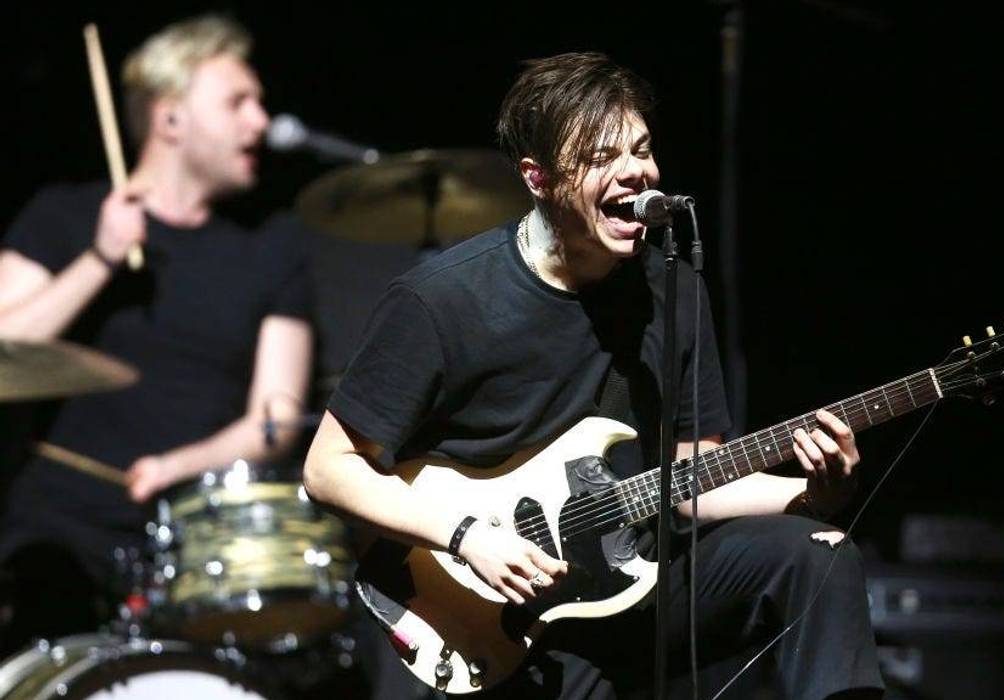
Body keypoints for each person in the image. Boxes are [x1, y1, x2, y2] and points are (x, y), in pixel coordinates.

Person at [303, 52, 883, 699]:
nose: (635, 170)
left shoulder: (670, 288)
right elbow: (328, 469)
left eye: (641, 149)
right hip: (500, 606)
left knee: (818, 553)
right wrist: (467, 538)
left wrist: (811, 495)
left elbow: (689, 478)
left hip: (633, 577)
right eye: (602, 156)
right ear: (539, 178)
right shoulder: (442, 299)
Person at [0, 15, 313, 653]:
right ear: (170, 118)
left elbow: (275, 419)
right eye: (237, 102)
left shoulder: (271, 248)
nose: (261, 122)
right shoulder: (63, 215)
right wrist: (100, 259)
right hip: (52, 538)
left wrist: (176, 468)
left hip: (199, 551)